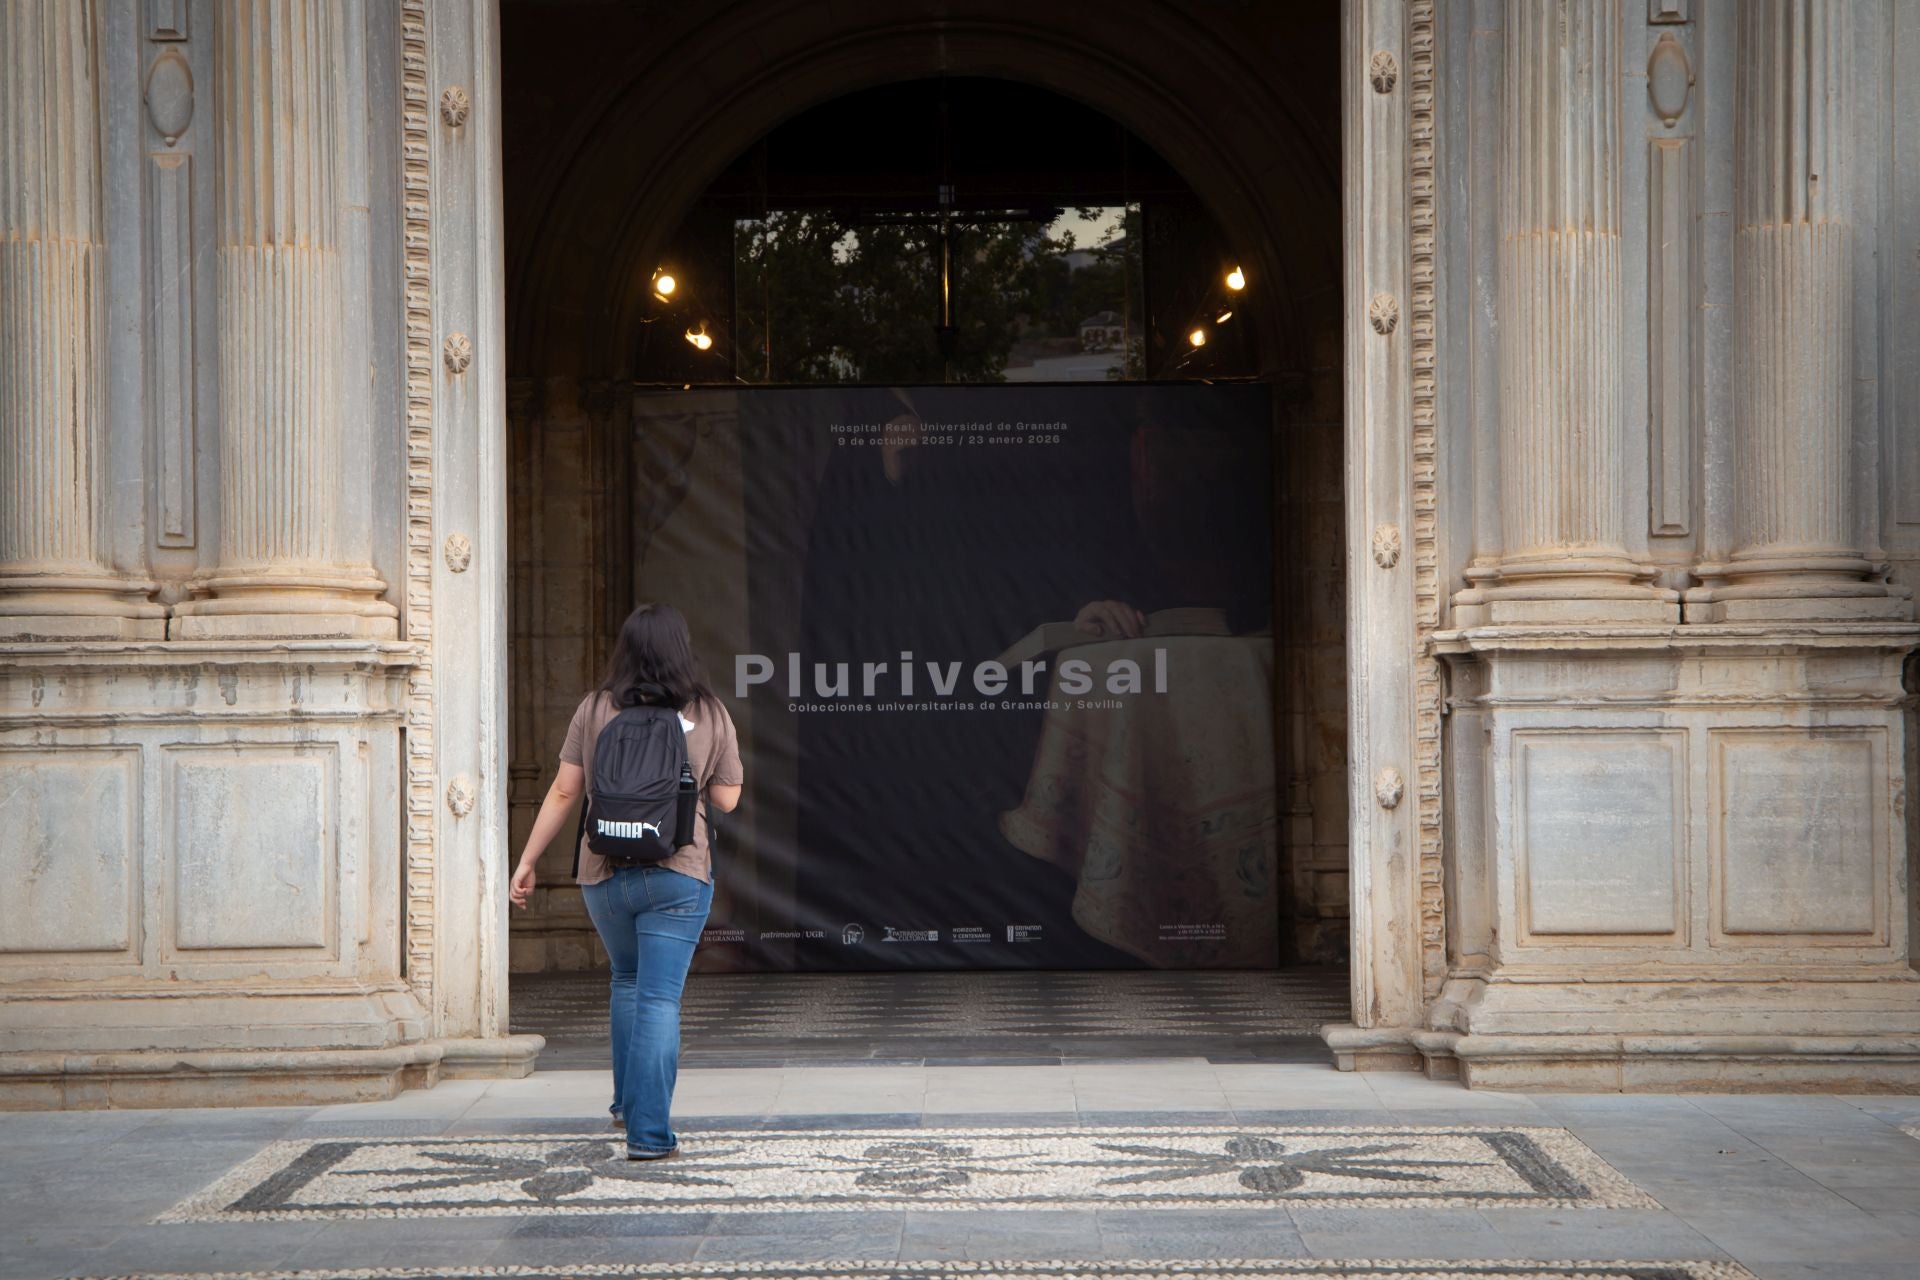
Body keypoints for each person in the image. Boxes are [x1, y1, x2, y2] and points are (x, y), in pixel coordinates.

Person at [509, 603, 743, 1161]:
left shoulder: (595, 708)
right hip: (678, 874)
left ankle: (624, 1106)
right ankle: (649, 1135)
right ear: (682, 649)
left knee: (625, 980)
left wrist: (527, 860)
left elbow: (565, 792)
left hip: (603, 873)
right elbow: (728, 799)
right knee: (659, 998)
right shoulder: (708, 710)